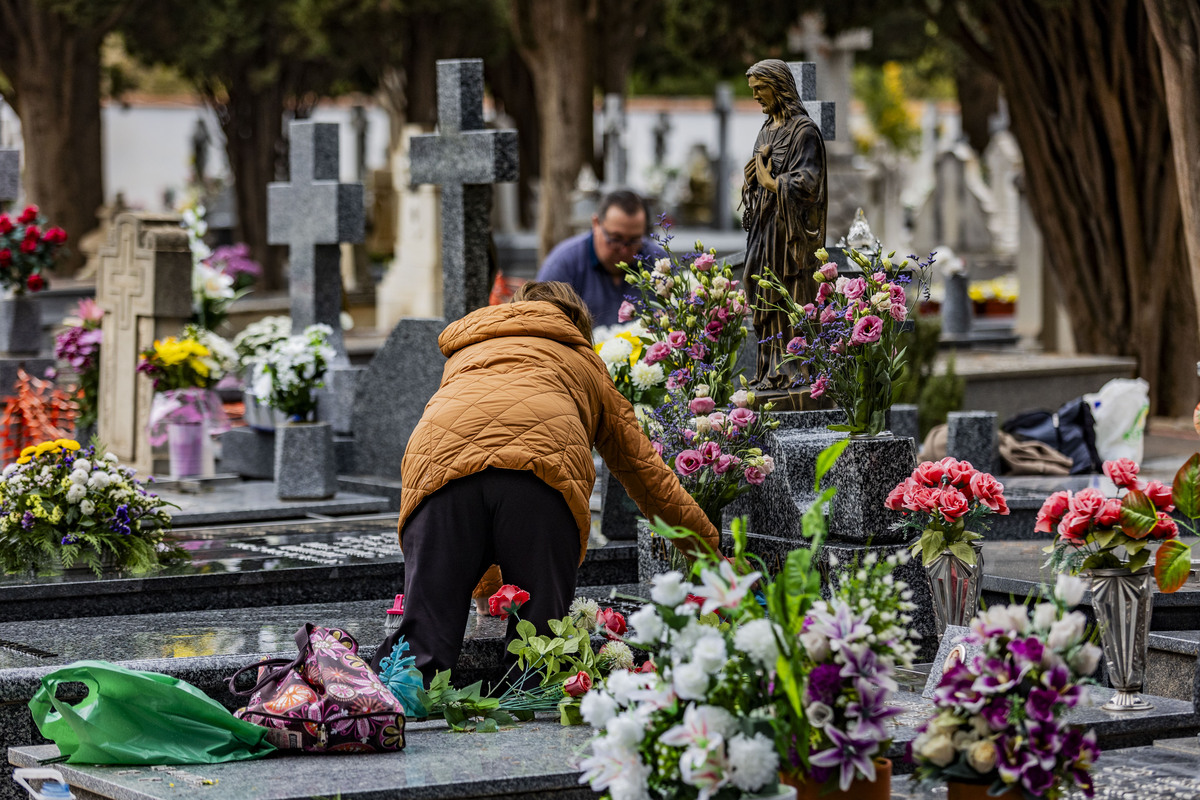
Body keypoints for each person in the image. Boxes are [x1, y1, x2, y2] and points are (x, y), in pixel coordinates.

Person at [372, 281, 718, 681]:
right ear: (576, 322)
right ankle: (528, 700)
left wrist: (484, 590)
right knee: (539, 648)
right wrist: (709, 557)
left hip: (437, 473)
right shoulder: (584, 360)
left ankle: (385, 712)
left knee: (420, 652)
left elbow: (476, 463)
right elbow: (646, 474)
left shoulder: (471, 348)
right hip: (540, 479)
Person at [741, 59, 827, 391]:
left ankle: (798, 371)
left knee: (788, 296)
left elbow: (809, 183)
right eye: (753, 91)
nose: (756, 97)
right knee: (757, 287)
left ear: (778, 87)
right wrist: (752, 180)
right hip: (764, 227)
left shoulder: (804, 131)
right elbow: (762, 174)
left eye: (760, 89)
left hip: (788, 234)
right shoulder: (766, 130)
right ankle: (770, 372)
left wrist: (774, 183)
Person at [536, 190, 663, 327]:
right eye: (616, 238)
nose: (624, 249)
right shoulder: (563, 264)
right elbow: (541, 325)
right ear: (596, 224)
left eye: (634, 240)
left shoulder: (658, 263)